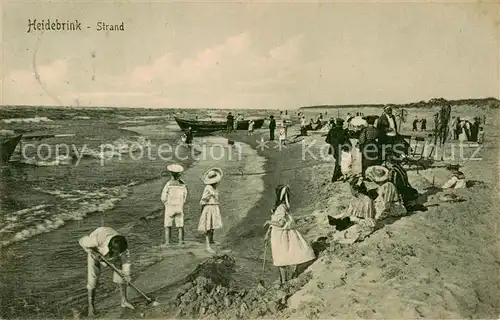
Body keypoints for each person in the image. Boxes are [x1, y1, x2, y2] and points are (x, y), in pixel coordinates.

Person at [264, 185, 315, 285]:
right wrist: (267, 234)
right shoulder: (282, 206)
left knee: (280, 259)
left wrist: (268, 222)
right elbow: (276, 222)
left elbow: (280, 223)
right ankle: (286, 279)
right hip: (278, 235)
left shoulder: (281, 208)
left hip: (280, 236)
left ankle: (284, 281)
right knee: (281, 258)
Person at [79, 227, 134, 317]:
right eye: (117, 253)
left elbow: (126, 264)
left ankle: (124, 301)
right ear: (110, 248)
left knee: (122, 276)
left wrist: (127, 276)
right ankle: (91, 306)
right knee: (92, 280)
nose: (119, 255)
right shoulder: (98, 239)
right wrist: (94, 253)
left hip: (111, 248)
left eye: (120, 253)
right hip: (95, 251)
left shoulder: (123, 247)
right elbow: (81, 241)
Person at [328, 176, 376, 243]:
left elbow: (369, 220)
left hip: (366, 225)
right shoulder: (360, 199)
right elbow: (349, 213)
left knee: (341, 235)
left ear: (356, 190)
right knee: (341, 229)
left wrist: (355, 219)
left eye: (351, 190)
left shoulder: (364, 201)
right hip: (362, 223)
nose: (351, 192)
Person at [160, 164, 188, 245]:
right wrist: (181, 203)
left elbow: (163, 197)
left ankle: (167, 242)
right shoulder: (182, 185)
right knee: (180, 225)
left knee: (167, 225)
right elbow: (184, 196)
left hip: (170, 207)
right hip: (179, 207)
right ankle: (180, 241)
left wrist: (166, 203)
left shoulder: (168, 184)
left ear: (171, 174)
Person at [198, 168, 223, 253]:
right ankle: (207, 246)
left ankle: (211, 240)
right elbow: (204, 199)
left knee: (213, 225)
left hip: (214, 207)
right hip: (208, 207)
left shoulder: (214, 187)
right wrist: (202, 208)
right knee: (208, 226)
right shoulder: (208, 188)